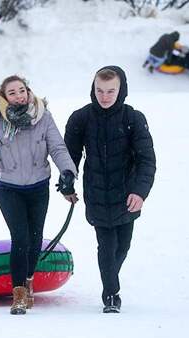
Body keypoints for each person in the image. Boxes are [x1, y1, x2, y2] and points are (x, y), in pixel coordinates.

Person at [0, 75, 78, 315]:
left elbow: (57, 147)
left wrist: (67, 172)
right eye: (12, 93)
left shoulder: (43, 115)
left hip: (39, 187)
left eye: (22, 90)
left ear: (28, 91)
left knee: (35, 239)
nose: (19, 95)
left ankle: (29, 279)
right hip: (8, 188)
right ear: (4, 97)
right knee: (21, 238)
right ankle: (19, 293)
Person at [64, 66, 156, 313]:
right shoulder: (81, 118)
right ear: (93, 90)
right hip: (97, 194)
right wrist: (67, 183)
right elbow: (69, 157)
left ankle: (110, 279)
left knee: (122, 246)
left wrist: (140, 191)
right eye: (100, 91)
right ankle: (111, 294)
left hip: (127, 195)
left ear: (121, 90)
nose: (104, 96)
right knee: (106, 246)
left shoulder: (133, 119)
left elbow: (146, 160)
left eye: (110, 91)